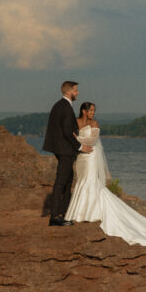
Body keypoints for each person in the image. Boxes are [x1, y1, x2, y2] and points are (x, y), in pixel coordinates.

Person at [65, 101, 146, 255]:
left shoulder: (94, 123)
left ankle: (89, 213)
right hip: (81, 157)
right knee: (81, 181)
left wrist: (76, 141)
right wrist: (76, 144)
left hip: (90, 155)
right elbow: (68, 134)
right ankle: (79, 212)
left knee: (90, 182)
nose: (93, 113)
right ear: (83, 111)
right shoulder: (76, 122)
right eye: (91, 110)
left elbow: (92, 141)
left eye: (94, 111)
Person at [43, 80, 91, 227]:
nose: (77, 93)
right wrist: (80, 146)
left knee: (68, 179)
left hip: (61, 148)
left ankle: (65, 213)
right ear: (69, 92)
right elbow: (66, 132)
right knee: (61, 182)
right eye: (76, 90)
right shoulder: (64, 107)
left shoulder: (60, 105)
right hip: (65, 149)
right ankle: (55, 217)